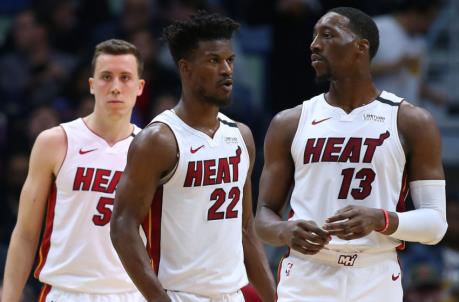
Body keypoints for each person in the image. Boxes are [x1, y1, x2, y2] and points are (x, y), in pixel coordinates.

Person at [255, 7, 447, 302]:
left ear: (361, 47)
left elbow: (435, 225)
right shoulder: (289, 122)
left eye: (328, 35)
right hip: (307, 274)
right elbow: (263, 218)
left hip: (375, 276)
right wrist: (284, 231)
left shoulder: (411, 121)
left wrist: (381, 219)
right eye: (314, 36)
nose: (315, 44)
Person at [110, 11, 276, 302]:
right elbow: (122, 226)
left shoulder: (242, 136)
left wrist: (275, 298)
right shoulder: (159, 140)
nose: (226, 70)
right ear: (185, 68)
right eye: (214, 60)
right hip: (179, 293)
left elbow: (247, 229)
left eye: (230, 60)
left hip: (231, 293)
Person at [1, 39, 146, 302]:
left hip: (132, 293)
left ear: (139, 87)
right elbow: (25, 232)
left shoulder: (154, 151)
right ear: (91, 84)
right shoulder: (55, 141)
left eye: (125, 78)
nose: (115, 87)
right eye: (106, 77)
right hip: (66, 292)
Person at [371, 0, 447, 106]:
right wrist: (392, 66)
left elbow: (413, 81)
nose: (429, 26)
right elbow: (346, 71)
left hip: (405, 116)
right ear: (414, 13)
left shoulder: (420, 43)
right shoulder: (376, 28)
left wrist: (432, 95)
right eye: (429, 19)